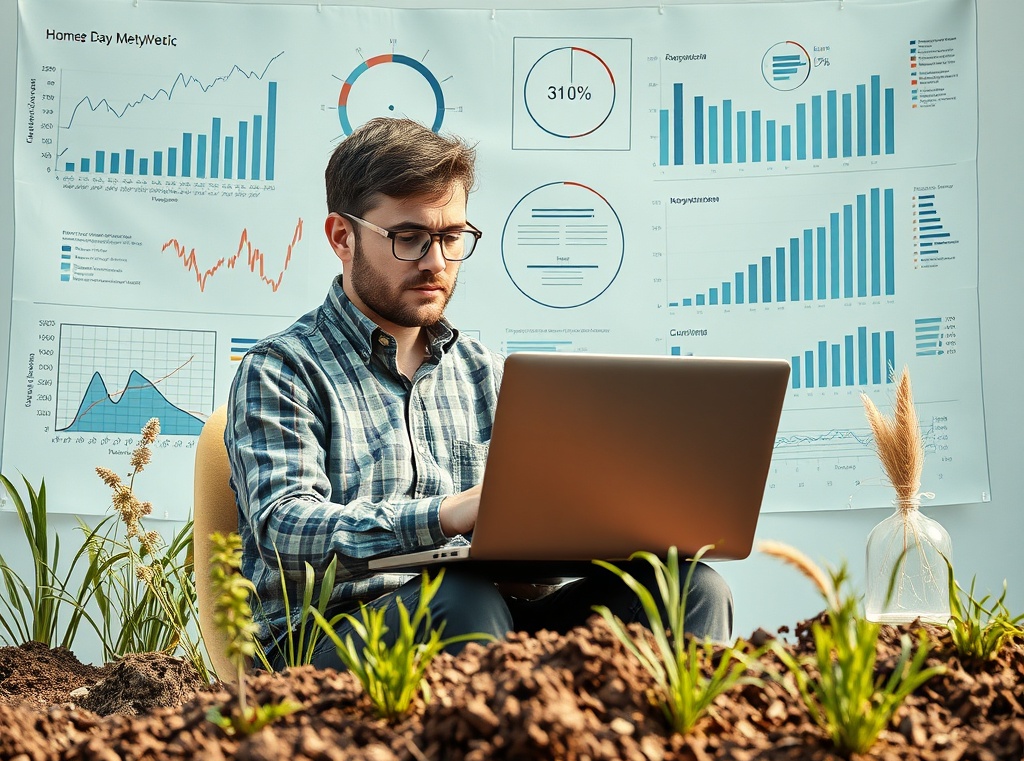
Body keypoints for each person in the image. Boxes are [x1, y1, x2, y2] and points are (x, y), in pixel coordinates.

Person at [226, 117, 733, 670]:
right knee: (458, 600)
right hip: (329, 637)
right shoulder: (281, 369)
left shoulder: (485, 374)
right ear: (342, 237)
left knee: (686, 587)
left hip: (494, 615)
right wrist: (446, 515)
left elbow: (528, 551)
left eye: (450, 238)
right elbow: (285, 531)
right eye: (408, 238)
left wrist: (599, 527)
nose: (436, 262)